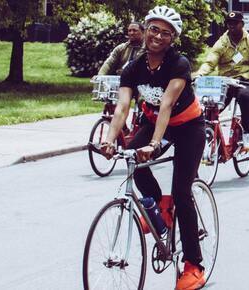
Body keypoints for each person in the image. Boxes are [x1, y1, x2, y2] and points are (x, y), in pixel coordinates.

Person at [102, 6, 206, 290]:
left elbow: (168, 105)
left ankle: (194, 266)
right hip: (153, 121)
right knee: (134, 164)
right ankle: (159, 207)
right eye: (153, 29)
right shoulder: (133, 67)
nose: (157, 36)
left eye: (165, 32)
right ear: (145, 30)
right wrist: (110, 140)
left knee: (183, 192)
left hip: (188, 126)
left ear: (172, 39)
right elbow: (123, 106)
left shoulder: (178, 64)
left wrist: (154, 143)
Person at [195, 11, 249, 149]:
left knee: (244, 96)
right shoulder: (222, 42)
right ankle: (208, 133)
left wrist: (243, 76)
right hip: (225, 82)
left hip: (246, 81)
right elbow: (210, 62)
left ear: (242, 24)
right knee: (210, 105)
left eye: (235, 23)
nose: (232, 26)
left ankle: (246, 132)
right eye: (229, 23)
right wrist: (200, 74)